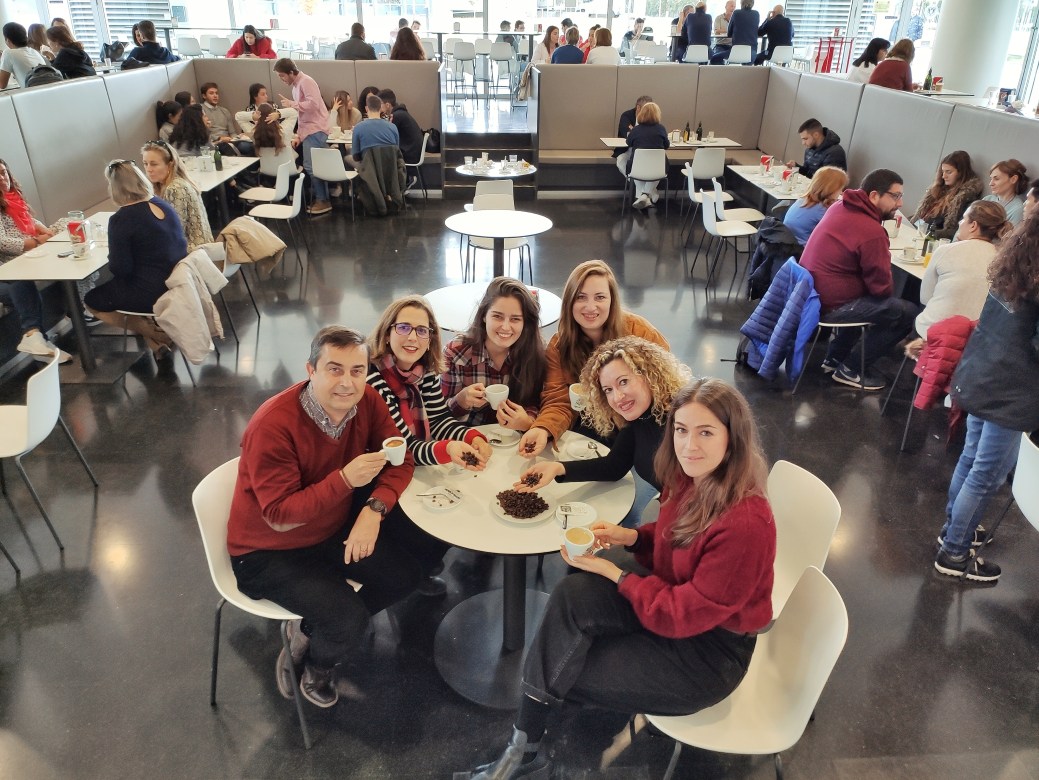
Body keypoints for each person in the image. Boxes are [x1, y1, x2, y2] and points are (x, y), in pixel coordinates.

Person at [468, 378, 775, 780]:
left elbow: (683, 615)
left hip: (707, 654)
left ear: (733, 438)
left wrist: (615, 572)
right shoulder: (690, 477)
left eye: (705, 432)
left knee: (568, 665)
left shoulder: (746, 523)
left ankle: (544, 755)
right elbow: (675, 543)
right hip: (671, 601)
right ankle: (525, 746)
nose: (689, 445)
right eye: (681, 430)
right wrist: (632, 536)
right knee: (572, 594)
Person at [227, 326, 443, 708]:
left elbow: (402, 458)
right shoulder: (273, 426)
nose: (347, 382)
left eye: (357, 370)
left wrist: (373, 511)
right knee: (346, 619)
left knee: (405, 575)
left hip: (327, 528)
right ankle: (318, 665)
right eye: (334, 369)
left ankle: (313, 627)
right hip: (265, 552)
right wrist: (344, 480)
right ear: (311, 370)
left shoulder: (369, 401)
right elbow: (278, 515)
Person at [934, 217, 1039, 582]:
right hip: (1010, 392)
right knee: (987, 475)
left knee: (972, 460)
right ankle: (954, 552)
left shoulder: (1018, 261)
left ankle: (954, 528)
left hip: (981, 375)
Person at [518, 260, 669, 459]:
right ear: (570, 301)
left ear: (611, 300)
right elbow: (559, 400)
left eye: (600, 297)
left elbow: (667, 387)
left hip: (641, 421)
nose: (591, 307)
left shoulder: (639, 332)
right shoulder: (558, 346)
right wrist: (543, 428)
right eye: (581, 297)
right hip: (593, 421)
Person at [518, 336, 691, 495]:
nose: (617, 398)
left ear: (648, 376)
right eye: (608, 390)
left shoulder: (684, 422)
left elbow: (701, 497)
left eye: (623, 382)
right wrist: (557, 468)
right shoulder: (639, 418)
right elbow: (615, 466)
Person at [799, 168, 919, 390]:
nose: (900, 204)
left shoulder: (839, 206)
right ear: (874, 196)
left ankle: (834, 358)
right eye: (895, 196)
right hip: (830, 304)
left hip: (811, 294)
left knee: (867, 296)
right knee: (906, 312)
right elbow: (882, 289)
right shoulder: (872, 231)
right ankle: (851, 369)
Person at [367, 295, 492, 476]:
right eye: (403, 328)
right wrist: (448, 448)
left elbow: (438, 420)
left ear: (429, 340)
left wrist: (472, 437)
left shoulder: (424, 370)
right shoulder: (373, 379)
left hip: (414, 467)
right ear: (387, 334)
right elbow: (404, 447)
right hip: (381, 472)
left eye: (422, 331)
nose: (412, 337)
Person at [84, 160, 186, 360]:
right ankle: (157, 346)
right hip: (178, 280)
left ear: (114, 187)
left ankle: (154, 333)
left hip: (151, 291)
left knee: (91, 300)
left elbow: (121, 268)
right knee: (123, 289)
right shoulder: (161, 204)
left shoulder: (122, 219)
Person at [904, 201, 1012, 356]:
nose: (960, 223)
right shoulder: (1004, 262)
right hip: (971, 343)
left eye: (963, 218)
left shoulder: (946, 250)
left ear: (973, 225)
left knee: (917, 313)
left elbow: (925, 298)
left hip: (932, 333)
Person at [441, 278, 547, 430]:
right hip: (468, 439)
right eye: (497, 316)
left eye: (515, 319)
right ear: (484, 316)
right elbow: (439, 417)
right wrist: (461, 400)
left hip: (519, 441)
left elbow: (539, 404)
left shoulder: (536, 353)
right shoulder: (456, 353)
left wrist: (528, 422)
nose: (505, 327)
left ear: (526, 323)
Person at [0, 159, 72, 363]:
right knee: (21, 282)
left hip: (20, 263)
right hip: (5, 271)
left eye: (4, 172)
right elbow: (2, 242)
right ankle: (34, 336)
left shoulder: (12, 198)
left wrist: (44, 230)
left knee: (60, 261)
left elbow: (27, 220)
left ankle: (39, 340)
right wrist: (35, 241)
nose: (2, 178)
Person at [275, 57, 332, 216]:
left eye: (282, 76)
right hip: (309, 130)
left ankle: (323, 200)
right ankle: (322, 198)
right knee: (313, 166)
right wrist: (299, 135)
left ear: (291, 72)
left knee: (311, 166)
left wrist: (292, 104)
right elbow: (302, 115)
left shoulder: (306, 81)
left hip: (316, 130)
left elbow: (313, 105)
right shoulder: (296, 85)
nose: (282, 79)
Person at [140, 140, 213, 253]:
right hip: (196, 250)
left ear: (170, 164)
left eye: (154, 164)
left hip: (192, 254)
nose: (149, 169)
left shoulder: (175, 188)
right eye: (145, 163)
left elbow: (175, 232)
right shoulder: (168, 184)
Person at [912, 150, 983, 240]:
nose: (943, 176)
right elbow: (921, 218)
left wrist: (930, 234)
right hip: (918, 232)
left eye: (949, 172)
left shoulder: (966, 198)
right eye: (942, 172)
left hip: (933, 240)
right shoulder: (938, 189)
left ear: (961, 173)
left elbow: (955, 231)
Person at [782, 165, 849, 245]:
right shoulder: (821, 210)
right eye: (840, 189)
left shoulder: (804, 199)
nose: (841, 193)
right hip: (801, 250)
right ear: (831, 189)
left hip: (788, 242)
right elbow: (840, 232)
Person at [625, 101, 670, 210]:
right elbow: (666, 145)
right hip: (658, 168)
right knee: (658, 171)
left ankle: (642, 196)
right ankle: (646, 196)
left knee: (636, 169)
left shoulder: (636, 130)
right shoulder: (661, 129)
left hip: (637, 167)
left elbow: (628, 143)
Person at [200, 82, 253, 156]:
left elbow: (232, 132)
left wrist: (238, 137)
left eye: (216, 93)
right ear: (204, 96)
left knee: (250, 145)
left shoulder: (224, 111)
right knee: (244, 147)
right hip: (215, 142)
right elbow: (201, 132)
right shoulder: (201, 110)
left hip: (229, 140)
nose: (215, 96)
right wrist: (219, 138)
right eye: (211, 93)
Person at [378, 89, 423, 169]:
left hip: (409, 155)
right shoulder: (400, 113)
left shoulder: (397, 116)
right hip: (412, 152)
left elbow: (387, 137)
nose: (378, 106)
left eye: (380, 103)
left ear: (387, 105)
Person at [350, 93, 399, 165]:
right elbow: (397, 151)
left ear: (367, 108)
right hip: (390, 169)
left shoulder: (358, 128)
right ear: (380, 108)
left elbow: (356, 156)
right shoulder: (393, 127)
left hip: (369, 170)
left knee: (347, 158)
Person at [0, 23, 48, 89]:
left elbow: (2, 85)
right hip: (46, 91)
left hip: (31, 94)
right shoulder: (34, 51)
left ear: (8, 40)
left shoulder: (8, 53)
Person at [614, 94, 652, 177]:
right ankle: (634, 182)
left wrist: (634, 130)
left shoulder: (651, 118)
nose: (648, 113)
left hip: (646, 150)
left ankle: (645, 186)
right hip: (628, 149)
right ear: (638, 107)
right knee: (621, 160)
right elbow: (625, 133)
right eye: (646, 110)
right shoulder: (627, 115)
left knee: (657, 160)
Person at [982, 159, 1029, 226]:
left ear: (1013, 179)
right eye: (991, 179)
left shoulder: (1017, 210)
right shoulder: (987, 199)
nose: (990, 183)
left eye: (996, 179)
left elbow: (1010, 236)